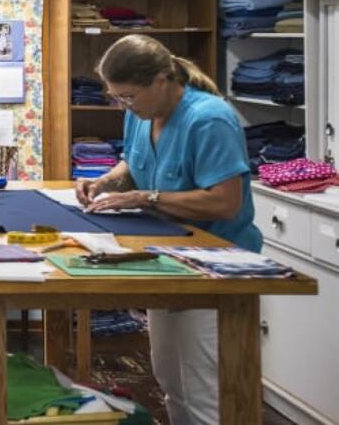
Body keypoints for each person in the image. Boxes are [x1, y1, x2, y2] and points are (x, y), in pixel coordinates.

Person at [74, 35, 260, 425]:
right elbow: (133, 163)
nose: (124, 105)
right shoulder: (141, 115)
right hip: (168, 258)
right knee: (171, 381)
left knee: (206, 388)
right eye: (117, 98)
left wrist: (146, 198)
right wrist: (107, 180)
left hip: (218, 266)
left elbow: (226, 202)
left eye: (128, 96)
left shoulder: (209, 119)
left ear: (162, 79)